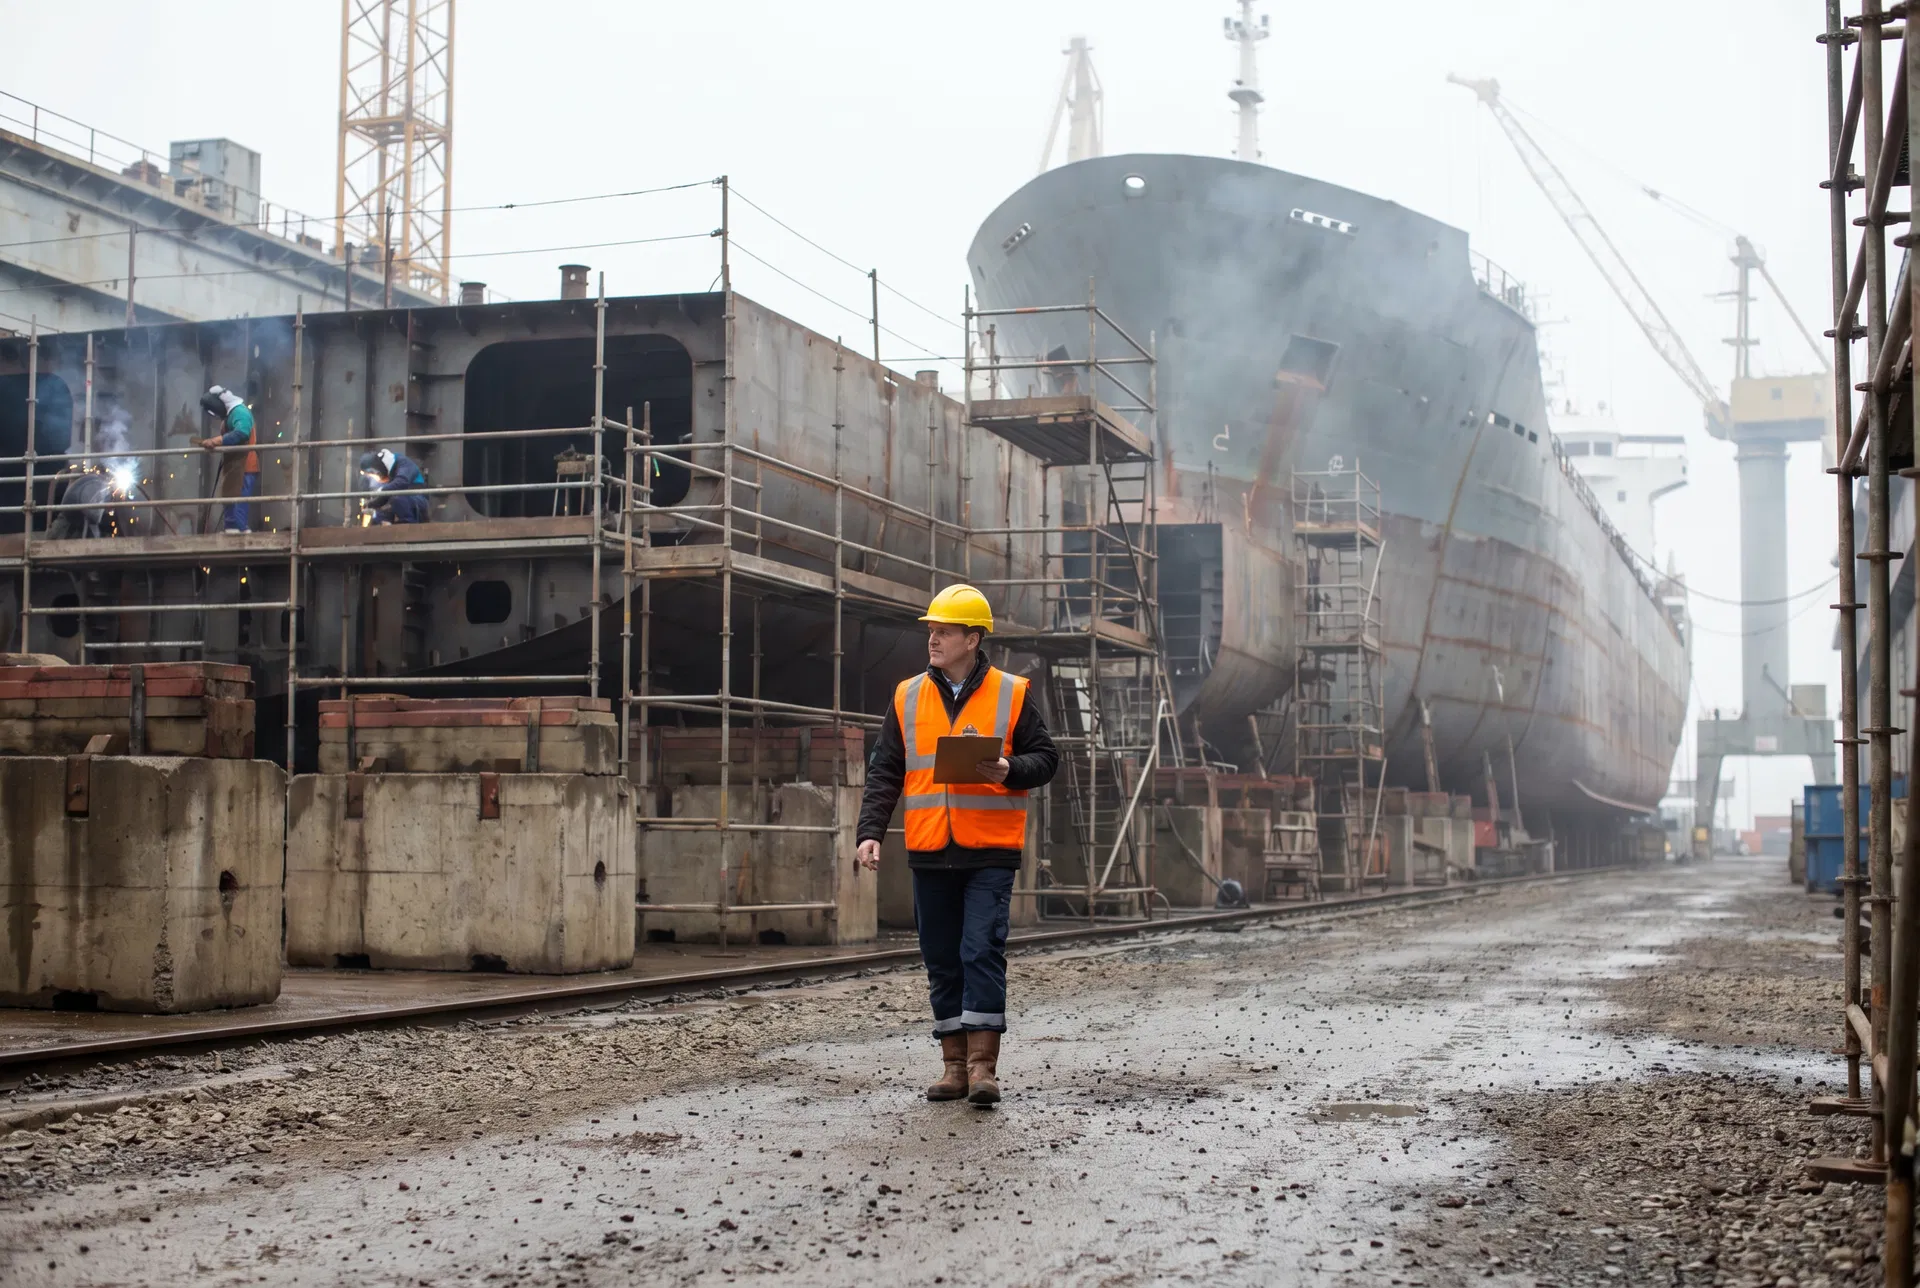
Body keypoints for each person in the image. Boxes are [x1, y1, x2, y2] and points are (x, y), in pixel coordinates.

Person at [856, 584, 1058, 1106]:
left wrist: (1010, 769)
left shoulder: (1012, 692)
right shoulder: (907, 696)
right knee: (942, 958)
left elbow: (1047, 758)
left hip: (989, 851)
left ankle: (982, 1068)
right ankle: (952, 1068)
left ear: (973, 638)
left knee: (980, 952)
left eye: (943, 631)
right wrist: (869, 833)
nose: (933, 639)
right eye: (931, 630)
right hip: (929, 850)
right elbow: (885, 771)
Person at [198, 386, 257, 533]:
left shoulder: (240, 412)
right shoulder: (230, 414)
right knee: (230, 495)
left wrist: (216, 441)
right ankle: (231, 528)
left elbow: (242, 433)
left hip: (245, 465)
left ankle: (240, 531)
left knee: (239, 498)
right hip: (234, 464)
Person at [358, 449, 429, 524]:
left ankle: (408, 524)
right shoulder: (390, 473)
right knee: (380, 513)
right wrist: (372, 505)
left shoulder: (402, 462)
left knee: (397, 497)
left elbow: (401, 482)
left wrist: (382, 491)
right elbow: (386, 495)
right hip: (401, 499)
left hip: (416, 500)